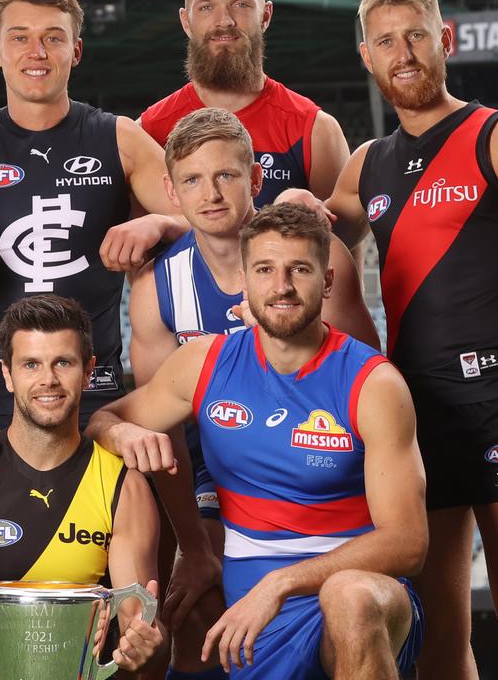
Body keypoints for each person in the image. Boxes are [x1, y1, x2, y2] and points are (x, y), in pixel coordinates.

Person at [277, 0, 498, 679]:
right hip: (412, 414)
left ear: (444, 39)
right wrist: (295, 201)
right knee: (436, 637)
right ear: (366, 58)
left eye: (415, 35)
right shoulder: (365, 164)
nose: (402, 53)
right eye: (385, 42)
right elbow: (305, 231)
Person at [88, 203, 427, 679]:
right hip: (250, 607)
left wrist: (282, 583)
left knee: (348, 596)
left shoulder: (372, 383)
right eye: (265, 270)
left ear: (327, 283)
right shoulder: (207, 362)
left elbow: (408, 542)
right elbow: (101, 420)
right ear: (244, 281)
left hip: (358, 594)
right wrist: (120, 430)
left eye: (300, 269)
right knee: (182, 615)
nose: (281, 286)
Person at [129, 107, 379, 680]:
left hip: (315, 470)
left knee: (346, 624)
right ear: (170, 190)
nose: (211, 194)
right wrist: (193, 543)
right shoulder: (155, 283)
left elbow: (363, 384)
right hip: (206, 477)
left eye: (226, 176)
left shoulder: (309, 257)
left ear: (256, 179)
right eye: (192, 180)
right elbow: (158, 427)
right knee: (186, 615)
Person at [0, 0, 188, 429]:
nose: (37, 52)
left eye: (53, 38)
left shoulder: (120, 138)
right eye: (20, 38)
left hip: (96, 395)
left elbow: (209, 219)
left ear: (76, 50)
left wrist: (159, 226)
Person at [0, 295, 165, 678]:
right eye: (31, 364)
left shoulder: (123, 486)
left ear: (88, 371)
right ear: (7, 374)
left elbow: (138, 619)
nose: (47, 380)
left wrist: (143, 643)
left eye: (62, 363)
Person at [138, 0, 350, 210]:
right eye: (206, 7)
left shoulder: (315, 131)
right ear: (186, 22)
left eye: (241, 5)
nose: (224, 21)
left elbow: (341, 246)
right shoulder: (148, 131)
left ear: (265, 16)